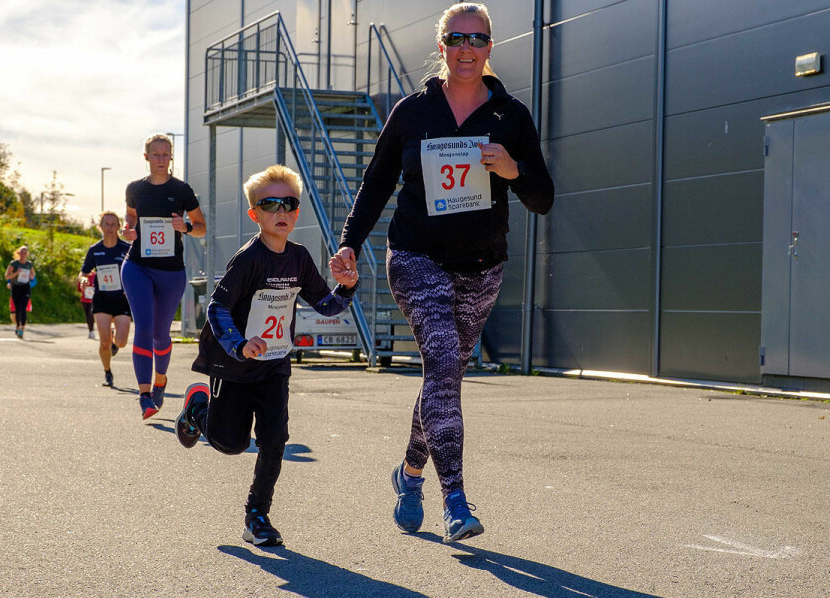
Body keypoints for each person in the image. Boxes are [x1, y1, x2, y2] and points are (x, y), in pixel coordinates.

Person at [330, 2, 554, 543]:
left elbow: (543, 198)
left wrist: (513, 169)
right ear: (442, 47)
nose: (466, 49)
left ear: (490, 48)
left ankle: (410, 474)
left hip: (481, 266)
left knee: (443, 376)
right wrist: (350, 244)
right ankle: (455, 499)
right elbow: (377, 182)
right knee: (444, 364)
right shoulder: (412, 111)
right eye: (456, 39)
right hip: (415, 256)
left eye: (477, 39)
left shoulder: (510, 115)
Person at [174, 165, 359, 547]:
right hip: (235, 365)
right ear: (254, 214)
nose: (281, 211)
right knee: (231, 444)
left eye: (289, 204)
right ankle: (196, 410)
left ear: (297, 211)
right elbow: (217, 307)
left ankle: (257, 515)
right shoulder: (249, 259)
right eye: (271, 204)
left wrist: (346, 287)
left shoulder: (299, 258)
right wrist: (240, 344)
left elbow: (325, 306)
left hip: (274, 364)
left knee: (274, 440)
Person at [120, 133, 207, 419]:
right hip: (138, 266)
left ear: (171, 157)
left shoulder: (182, 190)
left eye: (166, 154)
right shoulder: (135, 189)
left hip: (171, 272)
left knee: (160, 334)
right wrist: (128, 229)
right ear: (146, 157)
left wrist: (185, 227)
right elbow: (131, 216)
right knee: (144, 329)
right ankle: (145, 396)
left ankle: (160, 380)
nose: (161, 159)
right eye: (156, 154)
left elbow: (201, 227)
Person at [79, 211, 132, 387]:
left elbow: (138, 269)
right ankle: (107, 373)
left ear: (118, 227)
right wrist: (83, 279)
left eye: (113, 224)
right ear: (100, 227)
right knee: (104, 342)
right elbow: (84, 272)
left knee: (121, 342)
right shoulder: (95, 250)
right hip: (101, 298)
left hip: (121, 298)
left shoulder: (126, 249)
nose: (109, 228)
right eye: (106, 224)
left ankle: (115, 342)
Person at [3, 246, 36, 339]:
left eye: (25, 253)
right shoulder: (14, 264)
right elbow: (7, 276)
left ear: (27, 254)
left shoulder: (29, 264)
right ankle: (18, 326)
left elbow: (33, 274)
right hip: (16, 287)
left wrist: (31, 276)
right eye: (21, 252)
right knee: (18, 309)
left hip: (25, 287)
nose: (23, 254)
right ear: (18, 253)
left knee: (23, 308)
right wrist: (16, 273)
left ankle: (22, 329)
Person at [78, 272, 96, 339]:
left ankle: (92, 330)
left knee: (91, 313)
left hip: (93, 299)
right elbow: (79, 289)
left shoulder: (95, 275)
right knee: (87, 315)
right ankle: (90, 330)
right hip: (85, 299)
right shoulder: (83, 277)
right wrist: (83, 287)